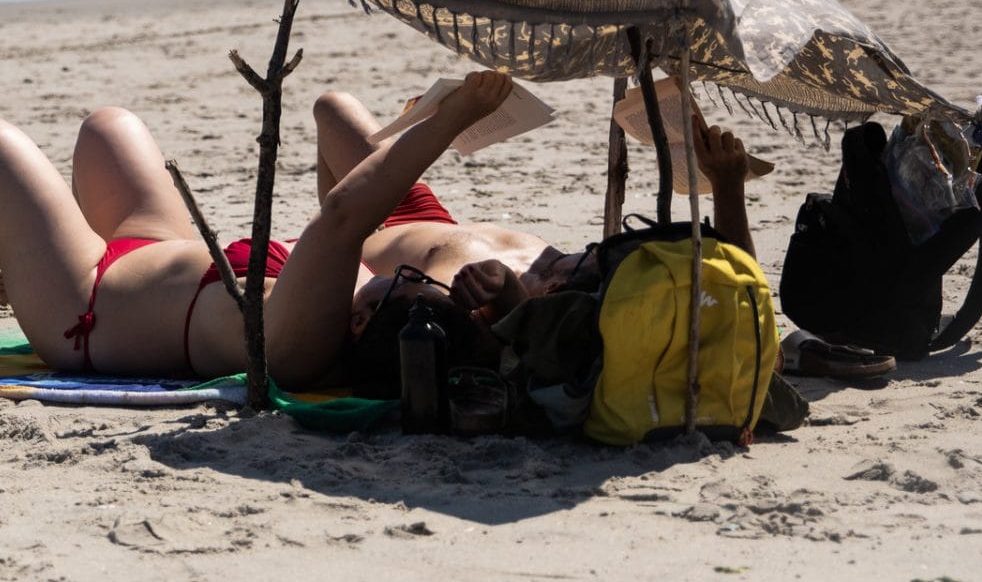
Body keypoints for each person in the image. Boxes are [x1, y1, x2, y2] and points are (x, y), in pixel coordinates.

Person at [0, 72, 518, 388]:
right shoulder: (350, 312)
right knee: (108, 126)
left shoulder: (303, 340)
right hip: (158, 255)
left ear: (360, 325)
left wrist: (448, 122)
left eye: (401, 285)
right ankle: (31, 264)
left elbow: (345, 213)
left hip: (88, 307)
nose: (401, 273)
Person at [313, 89, 757, 390]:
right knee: (333, 107)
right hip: (427, 217)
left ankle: (337, 223)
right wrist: (727, 186)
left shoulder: (491, 322)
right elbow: (738, 286)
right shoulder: (590, 280)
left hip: (358, 250)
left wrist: (506, 296)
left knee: (333, 116)